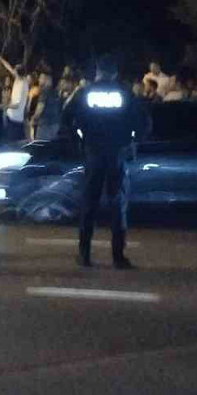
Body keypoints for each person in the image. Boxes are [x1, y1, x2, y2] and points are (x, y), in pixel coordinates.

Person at [61, 55, 143, 269]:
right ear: (115, 73)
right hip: (116, 154)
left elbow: (66, 116)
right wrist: (132, 141)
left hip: (93, 153)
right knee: (117, 205)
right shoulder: (125, 93)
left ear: (97, 72)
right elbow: (143, 121)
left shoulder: (85, 92)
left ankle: (84, 254)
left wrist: (78, 141)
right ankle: (118, 257)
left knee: (89, 204)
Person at [0, 48, 29, 142]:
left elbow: (16, 105)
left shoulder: (22, 85)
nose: (12, 70)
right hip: (11, 117)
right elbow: (8, 66)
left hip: (15, 120)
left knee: (13, 145)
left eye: (15, 70)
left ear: (18, 72)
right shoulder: (19, 79)